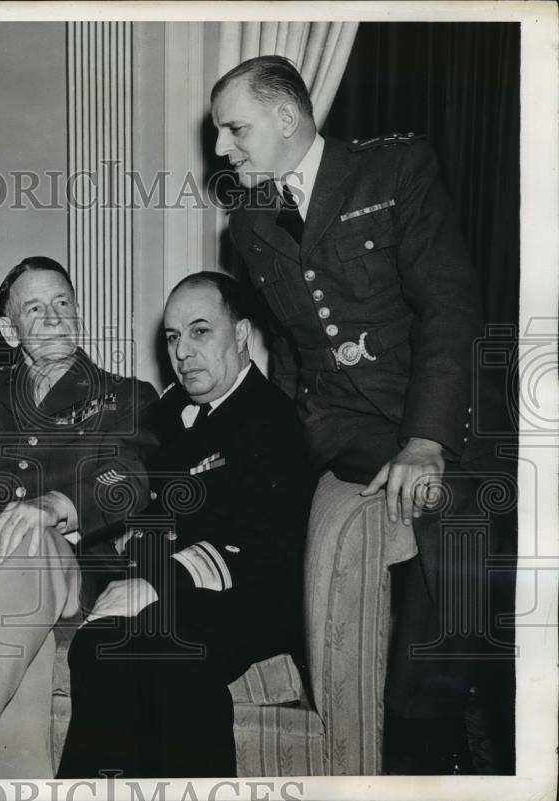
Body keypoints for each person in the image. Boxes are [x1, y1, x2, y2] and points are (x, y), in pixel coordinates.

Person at [212, 55, 510, 771]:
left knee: (458, 542)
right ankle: (415, 743)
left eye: (235, 129)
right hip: (340, 423)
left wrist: (428, 437)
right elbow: (288, 347)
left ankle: (432, 738)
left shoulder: (394, 171)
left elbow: (449, 307)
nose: (222, 149)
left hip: (437, 403)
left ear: (287, 118)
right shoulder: (247, 225)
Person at [0, 257, 158, 780]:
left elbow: (133, 477)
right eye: (35, 308)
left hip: (77, 577)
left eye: (64, 303)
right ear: (9, 330)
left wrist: (58, 504)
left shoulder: (127, 396)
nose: (56, 317)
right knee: (21, 622)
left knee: (33, 540)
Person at [57, 272, 314, 778]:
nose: (182, 352)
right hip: (173, 585)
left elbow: (263, 547)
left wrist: (155, 584)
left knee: (169, 651)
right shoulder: (171, 408)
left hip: (243, 595)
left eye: (200, 332)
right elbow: (130, 484)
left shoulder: (272, 420)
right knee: (95, 647)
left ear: (239, 336)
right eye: (174, 337)